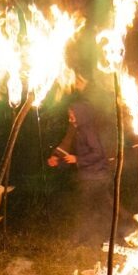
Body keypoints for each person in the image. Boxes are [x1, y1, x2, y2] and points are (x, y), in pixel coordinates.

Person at [46, 93, 111, 244]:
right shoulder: (76, 129)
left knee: (99, 208)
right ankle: (86, 238)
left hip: (97, 176)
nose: (70, 118)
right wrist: (56, 158)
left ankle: (106, 237)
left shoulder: (88, 130)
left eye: (72, 115)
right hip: (88, 175)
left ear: (81, 115)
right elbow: (67, 145)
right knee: (89, 208)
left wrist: (78, 159)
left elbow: (98, 153)